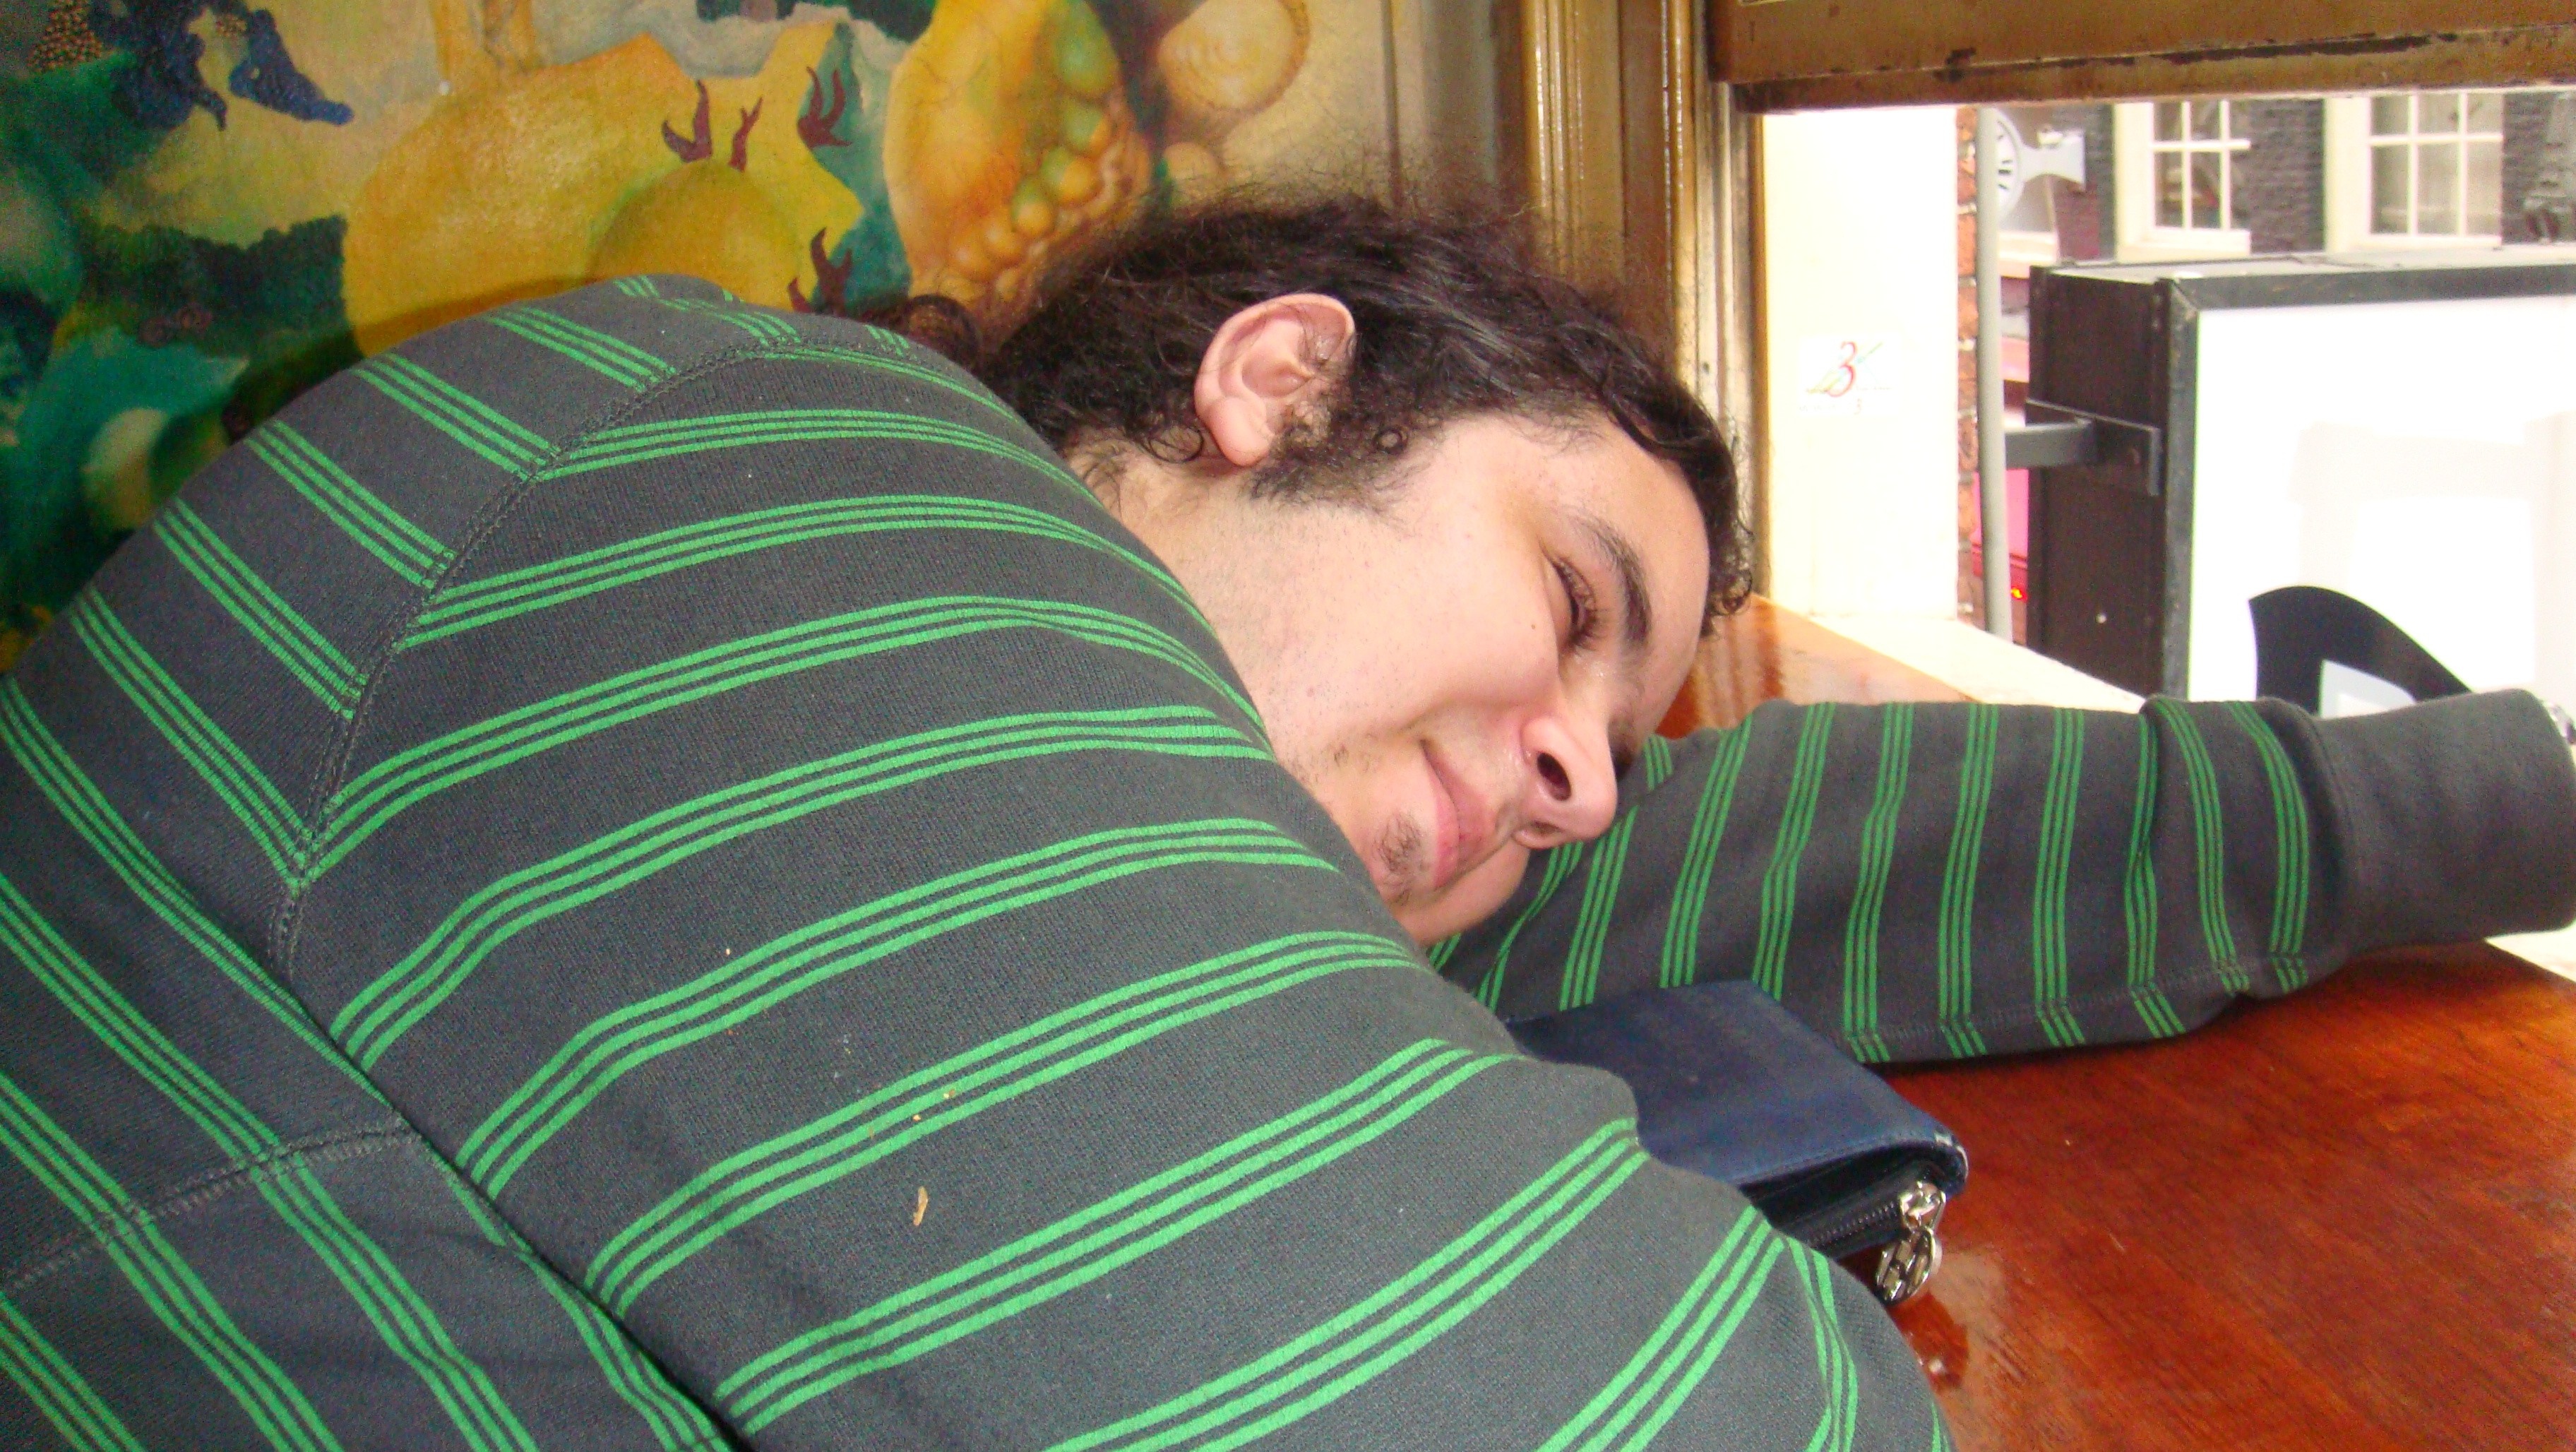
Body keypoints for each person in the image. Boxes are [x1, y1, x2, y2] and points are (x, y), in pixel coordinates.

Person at [0, 199, 2568, 1451]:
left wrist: (2502, 801)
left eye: (1613, 739)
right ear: (1278, 383)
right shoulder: (739, 467)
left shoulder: (954, 754)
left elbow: (1811, 843)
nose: (1582, 774)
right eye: (1570, 601)